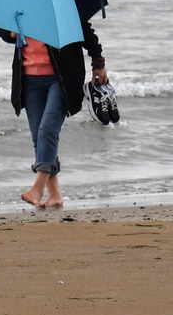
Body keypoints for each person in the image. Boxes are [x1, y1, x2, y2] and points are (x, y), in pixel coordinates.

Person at [9, 22, 107, 209]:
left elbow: (85, 31)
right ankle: (55, 195)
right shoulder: (19, 3)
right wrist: (11, 33)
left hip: (62, 77)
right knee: (39, 136)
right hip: (29, 78)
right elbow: (5, 33)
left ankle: (37, 188)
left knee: (47, 130)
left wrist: (98, 63)